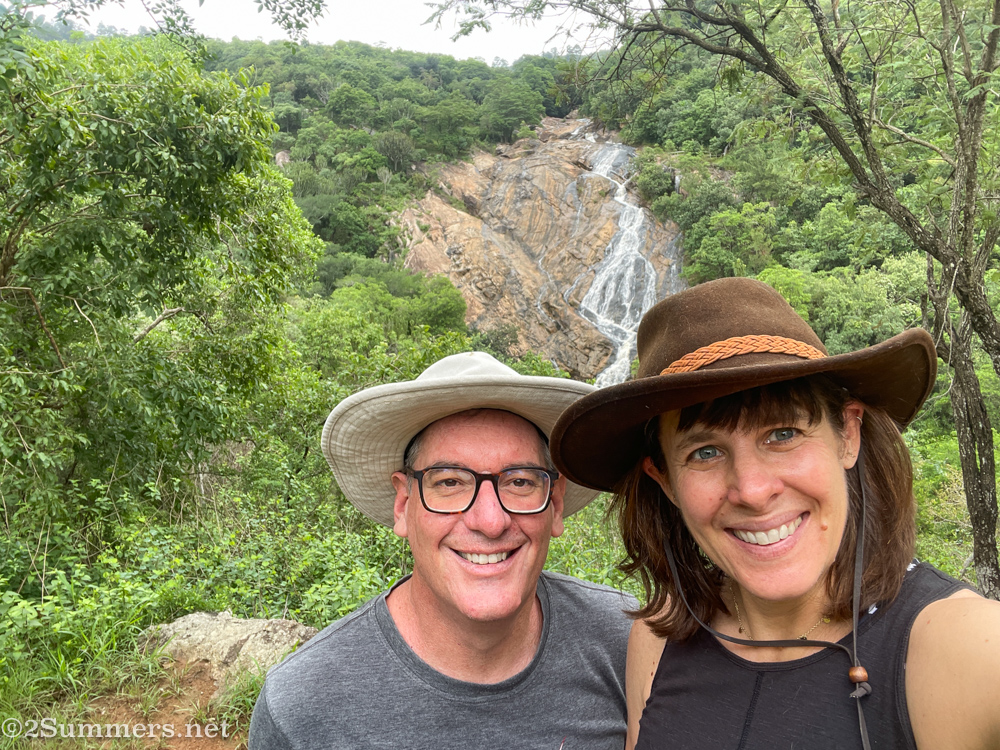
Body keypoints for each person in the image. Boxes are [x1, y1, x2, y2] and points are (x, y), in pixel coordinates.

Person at [550, 277, 1000, 750]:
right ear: (665, 480)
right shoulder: (660, 636)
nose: (753, 490)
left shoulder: (966, 646)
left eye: (783, 434)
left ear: (848, 434)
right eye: (704, 452)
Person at [248, 351, 633, 750]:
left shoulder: (631, 643)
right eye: (449, 482)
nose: (491, 520)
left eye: (520, 482)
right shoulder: (300, 707)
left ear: (553, 504)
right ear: (403, 505)